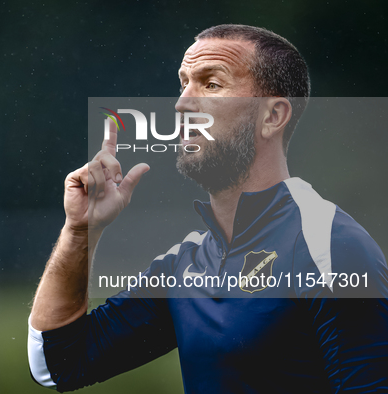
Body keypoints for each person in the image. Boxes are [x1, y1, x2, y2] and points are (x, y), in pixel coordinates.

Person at [28, 24, 388, 393]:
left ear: (272, 116)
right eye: (183, 83)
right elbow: (57, 365)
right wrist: (80, 232)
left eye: (211, 84)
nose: (182, 103)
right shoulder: (187, 264)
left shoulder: (330, 248)